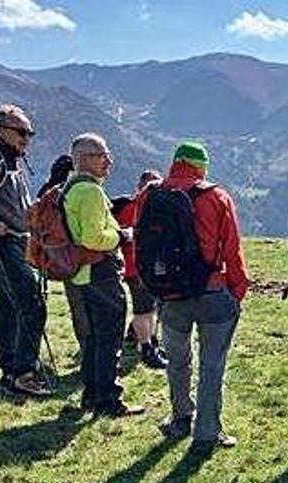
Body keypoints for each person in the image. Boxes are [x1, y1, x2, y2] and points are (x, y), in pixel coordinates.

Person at [139, 142, 248, 452]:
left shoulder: (150, 194)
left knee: (177, 360)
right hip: (213, 292)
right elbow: (232, 250)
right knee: (212, 365)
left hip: (170, 294)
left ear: (175, 163)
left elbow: (142, 240)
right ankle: (207, 433)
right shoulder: (216, 197)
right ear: (201, 167)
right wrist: (237, 291)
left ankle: (180, 417)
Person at [63, 132, 143, 416]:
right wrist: (123, 235)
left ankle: (92, 396)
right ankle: (109, 400)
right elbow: (94, 239)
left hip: (81, 275)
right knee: (109, 338)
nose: (109, 160)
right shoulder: (90, 192)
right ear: (83, 159)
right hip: (100, 272)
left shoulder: (71, 188)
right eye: (101, 155)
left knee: (94, 339)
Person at [0, 104, 50, 396]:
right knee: (31, 304)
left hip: (18, 239)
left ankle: (10, 370)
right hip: (4, 243)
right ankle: (22, 373)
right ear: (2, 129)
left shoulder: (11, 158)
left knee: (9, 305)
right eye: (21, 132)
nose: (27, 138)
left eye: (30, 133)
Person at [112, 169, 167, 369]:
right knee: (145, 309)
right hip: (137, 268)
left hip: (143, 267)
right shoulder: (133, 208)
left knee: (150, 308)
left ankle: (142, 340)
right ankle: (147, 348)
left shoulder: (130, 206)